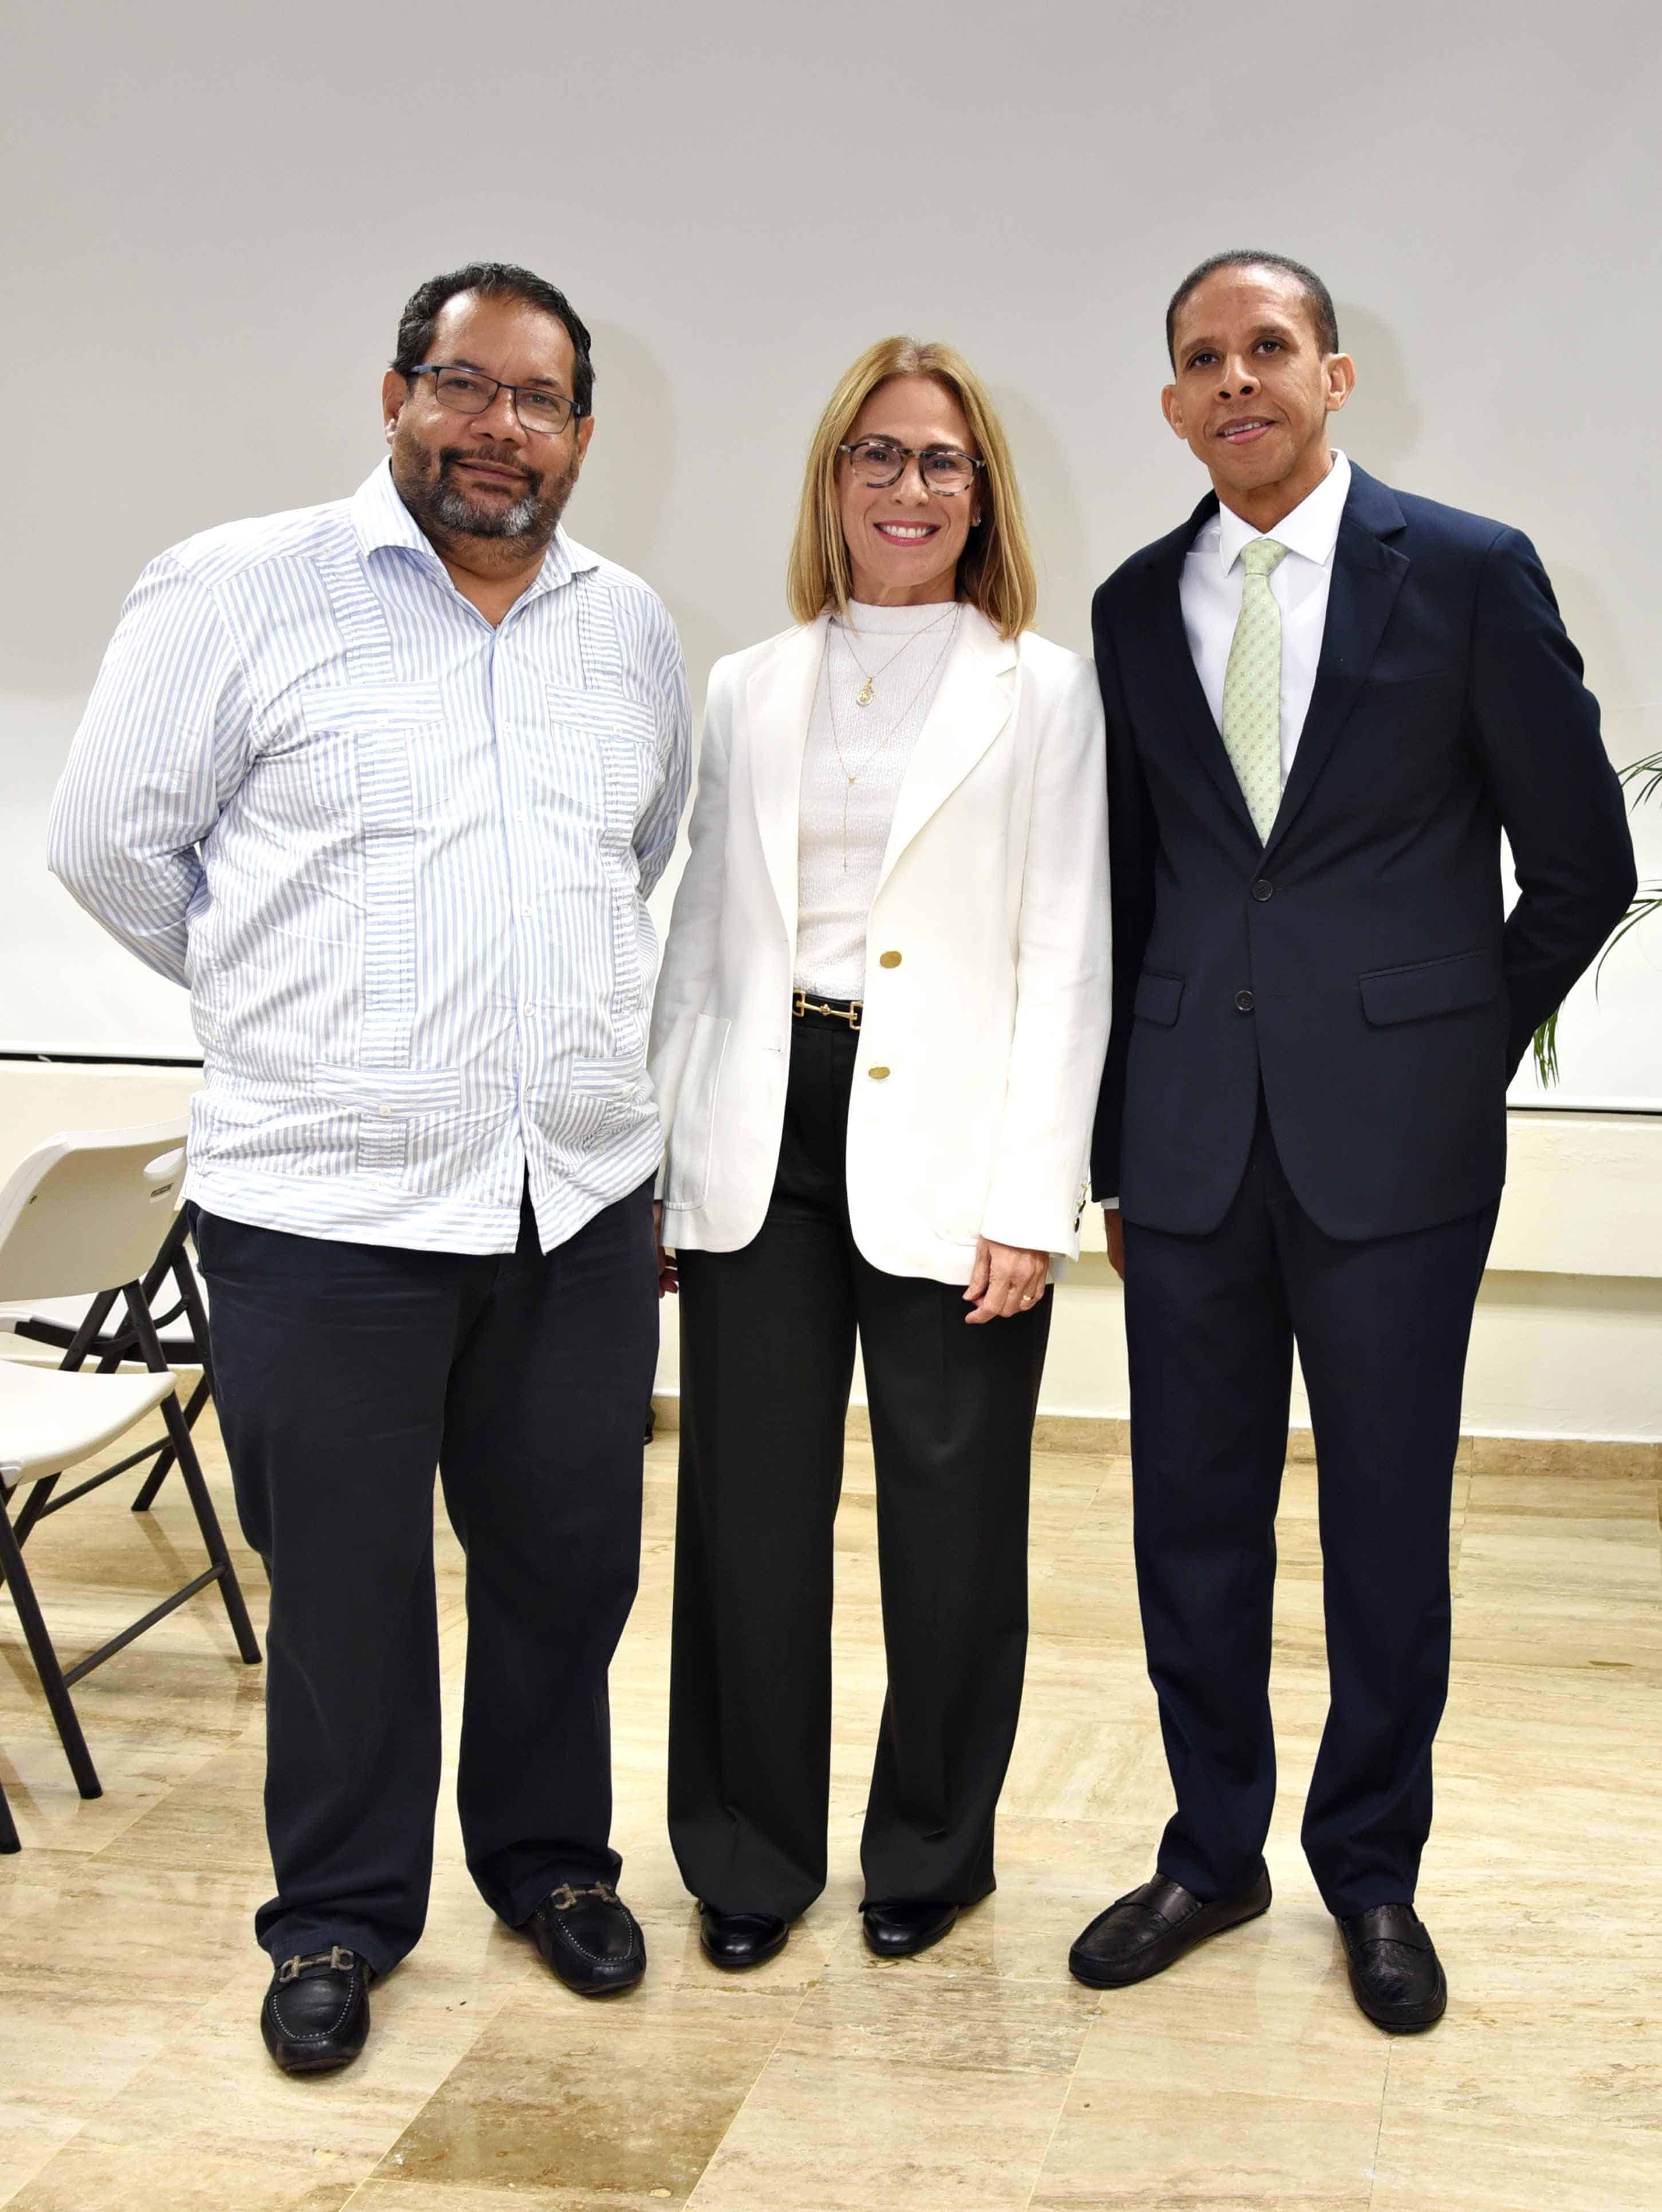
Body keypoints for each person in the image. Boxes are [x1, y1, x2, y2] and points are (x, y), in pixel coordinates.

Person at [48, 262, 691, 2069]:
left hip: (571, 1195)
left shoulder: (626, 627)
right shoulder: (242, 589)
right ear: (396, 392)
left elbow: (637, 849)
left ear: (581, 432)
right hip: (321, 1208)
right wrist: (294, 1001)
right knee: (343, 1581)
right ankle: (336, 1915)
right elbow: (110, 849)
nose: (503, 430)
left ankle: (551, 1862)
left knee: (569, 1559)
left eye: (542, 401)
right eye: (467, 388)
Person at [1070, 251, 1637, 2029]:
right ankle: (1211, 1849)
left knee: (1389, 1525)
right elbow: (1137, 885)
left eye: (1268, 349)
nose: (1236, 380)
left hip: (1394, 1149)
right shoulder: (1129, 602)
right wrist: (1108, 1132)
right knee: (1193, 1520)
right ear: (1171, 402)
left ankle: (1372, 1869)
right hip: (1184, 1149)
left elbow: (1586, 864)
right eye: (1200, 360)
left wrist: (1448, 1047)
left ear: (1334, 375)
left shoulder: (1463, 573)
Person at [650, 337, 1110, 1972]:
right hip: (763, 1119)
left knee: (954, 1521)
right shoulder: (749, 682)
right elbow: (703, 933)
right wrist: (665, 1148)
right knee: (748, 1515)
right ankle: (746, 1856)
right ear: (832, 478)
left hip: (954, 1136)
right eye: (879, 455)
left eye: (942, 462)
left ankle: (934, 1845)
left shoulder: (1040, 686)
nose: (908, 489)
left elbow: (1068, 954)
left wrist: (1028, 1199)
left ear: (982, 495)